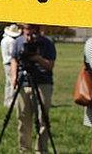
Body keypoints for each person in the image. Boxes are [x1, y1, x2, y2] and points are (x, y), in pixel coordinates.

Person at [11, 23, 57, 154]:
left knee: (43, 118)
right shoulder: (18, 41)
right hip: (23, 82)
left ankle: (41, 149)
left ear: (37, 30)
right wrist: (13, 76)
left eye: (32, 31)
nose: (29, 35)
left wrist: (37, 58)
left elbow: (50, 66)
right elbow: (14, 59)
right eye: (26, 31)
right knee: (23, 117)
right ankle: (24, 149)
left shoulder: (47, 43)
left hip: (43, 83)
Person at [1, 23, 21, 106]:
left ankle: (7, 100)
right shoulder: (12, 41)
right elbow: (13, 54)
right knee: (13, 82)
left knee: (8, 83)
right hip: (11, 63)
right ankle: (12, 101)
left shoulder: (4, 40)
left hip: (5, 62)